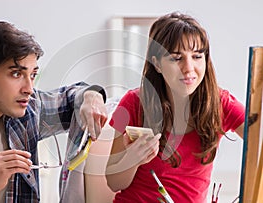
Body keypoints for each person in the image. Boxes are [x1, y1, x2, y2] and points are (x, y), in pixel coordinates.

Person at [105, 12, 245, 203]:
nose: (189, 68)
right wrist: (132, 159)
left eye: (197, 56)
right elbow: (113, 182)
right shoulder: (133, 103)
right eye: (176, 58)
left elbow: (258, 139)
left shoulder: (221, 104)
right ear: (157, 64)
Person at [0, 21, 107, 202]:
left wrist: (92, 97)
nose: (29, 88)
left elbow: (73, 97)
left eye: (32, 75)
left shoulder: (28, 110)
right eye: (16, 74)